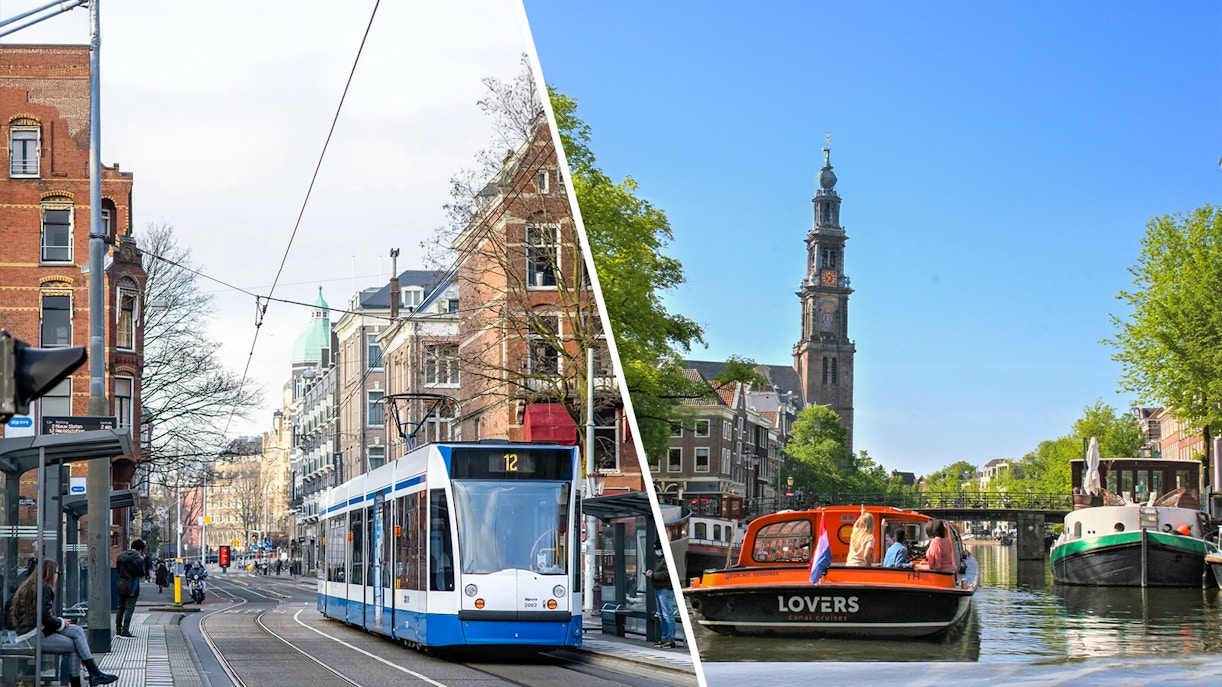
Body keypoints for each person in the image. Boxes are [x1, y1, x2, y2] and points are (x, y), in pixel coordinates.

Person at [11, 559, 118, 686]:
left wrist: (60, 622)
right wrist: (61, 622)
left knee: (78, 631)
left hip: (31, 632)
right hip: (32, 636)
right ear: (50, 573)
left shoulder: (31, 587)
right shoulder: (45, 588)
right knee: (73, 645)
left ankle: (94, 673)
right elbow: (44, 617)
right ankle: (90, 675)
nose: (58, 576)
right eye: (58, 573)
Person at [643, 541, 676, 649]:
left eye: (657, 549)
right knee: (662, 616)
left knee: (667, 615)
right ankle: (664, 638)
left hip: (665, 589)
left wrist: (653, 575)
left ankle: (670, 639)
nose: (656, 551)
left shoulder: (667, 558)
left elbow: (668, 573)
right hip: (659, 588)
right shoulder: (661, 559)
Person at [115, 539, 146, 638]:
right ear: (140, 549)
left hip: (121, 584)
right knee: (129, 608)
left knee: (120, 607)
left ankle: (118, 629)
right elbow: (141, 574)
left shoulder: (121, 556)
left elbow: (118, 570)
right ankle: (126, 630)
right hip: (132, 585)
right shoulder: (138, 559)